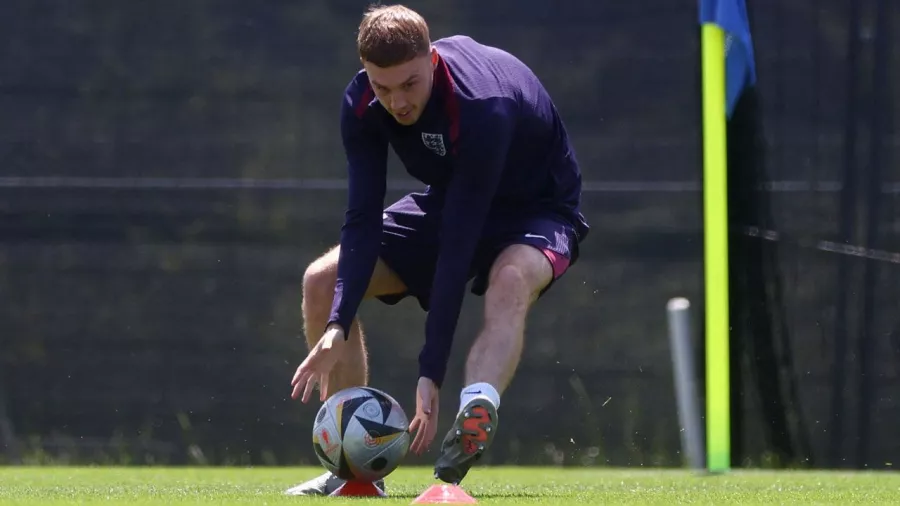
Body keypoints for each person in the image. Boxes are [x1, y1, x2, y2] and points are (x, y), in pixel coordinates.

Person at [283, 3, 590, 496]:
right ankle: (353, 470)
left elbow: (457, 247)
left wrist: (431, 373)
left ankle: (476, 407)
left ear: (432, 59)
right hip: (453, 200)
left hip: (539, 210)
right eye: (382, 87)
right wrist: (337, 323)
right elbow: (361, 220)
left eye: (409, 84)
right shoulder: (362, 103)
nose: (397, 102)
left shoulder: (481, 106)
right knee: (323, 281)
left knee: (510, 279)